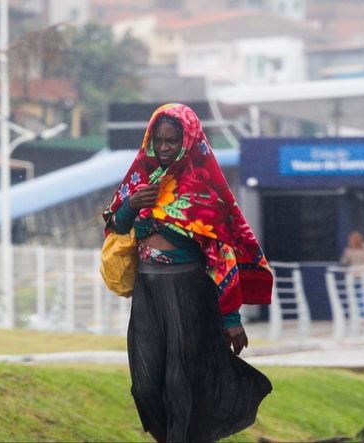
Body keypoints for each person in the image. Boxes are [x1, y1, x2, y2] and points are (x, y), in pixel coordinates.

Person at [102, 103, 273, 442]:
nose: (164, 148)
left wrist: (230, 318)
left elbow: (221, 254)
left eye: (172, 141)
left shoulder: (204, 188)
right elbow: (115, 227)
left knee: (182, 385)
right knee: (145, 386)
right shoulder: (140, 180)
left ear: (189, 140)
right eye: (159, 140)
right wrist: (131, 207)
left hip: (189, 293)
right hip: (147, 293)